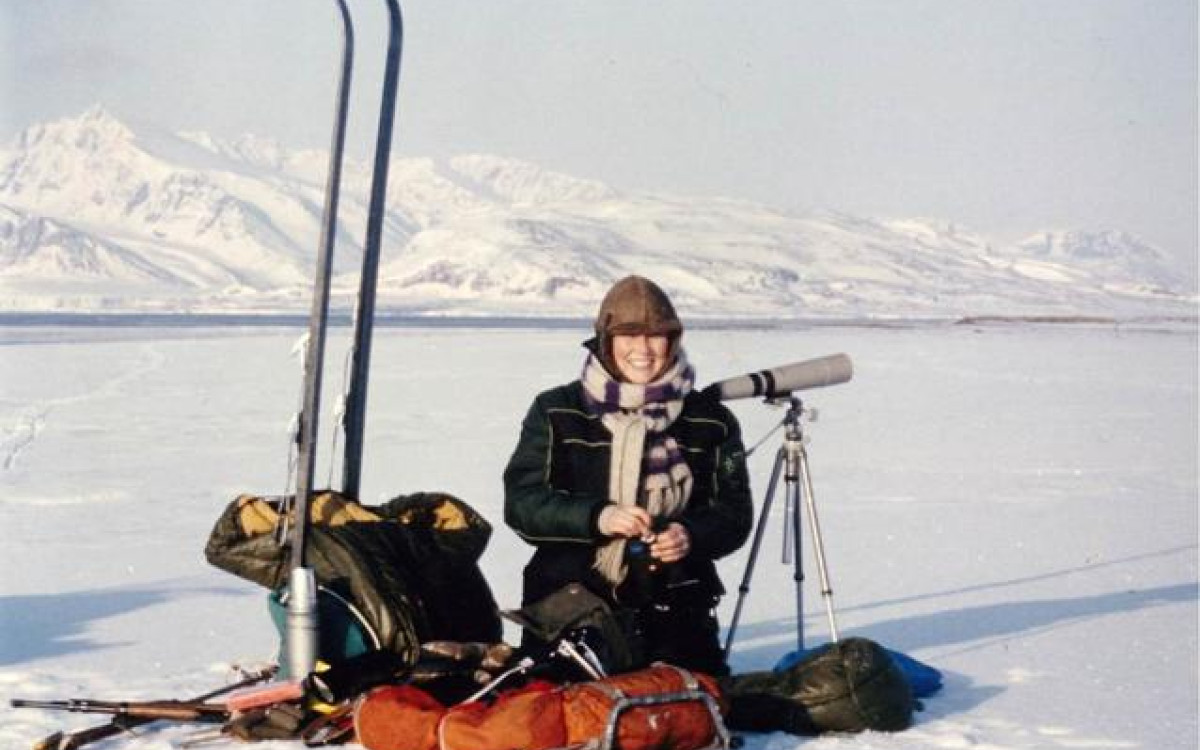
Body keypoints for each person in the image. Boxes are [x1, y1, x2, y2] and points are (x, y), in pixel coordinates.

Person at [503, 275, 753, 677]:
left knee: (678, 712)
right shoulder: (557, 410)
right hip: (571, 599)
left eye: (656, 335)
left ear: (672, 340)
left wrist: (688, 534)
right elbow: (523, 503)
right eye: (629, 334)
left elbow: (733, 515)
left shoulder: (710, 420)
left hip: (674, 596)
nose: (643, 349)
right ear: (606, 340)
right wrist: (599, 517)